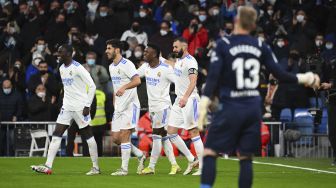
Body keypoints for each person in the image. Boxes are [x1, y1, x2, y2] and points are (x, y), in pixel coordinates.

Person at [198, 6, 320, 188]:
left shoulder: (224, 44)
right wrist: (306, 77)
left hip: (231, 106)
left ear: (237, 21)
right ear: (253, 25)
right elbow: (280, 74)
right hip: (253, 108)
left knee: (209, 152)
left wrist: (203, 104)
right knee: (246, 158)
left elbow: (213, 78)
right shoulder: (260, 45)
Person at [31, 44, 100, 175]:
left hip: (80, 107)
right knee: (57, 133)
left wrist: (87, 105)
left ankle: (95, 167)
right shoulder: (62, 68)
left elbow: (92, 86)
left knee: (88, 135)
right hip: (67, 107)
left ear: (69, 53)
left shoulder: (78, 68)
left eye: (60, 52)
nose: (58, 55)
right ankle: (48, 165)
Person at [137, 44, 180, 175]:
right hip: (153, 108)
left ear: (155, 54)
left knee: (156, 136)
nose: (144, 53)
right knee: (164, 137)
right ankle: (174, 165)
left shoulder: (166, 69)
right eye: (144, 51)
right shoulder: (145, 67)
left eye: (146, 51)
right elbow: (133, 75)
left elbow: (179, 82)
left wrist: (183, 99)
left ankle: (151, 166)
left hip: (163, 107)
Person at [105, 39, 146, 176]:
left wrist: (124, 87)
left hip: (131, 105)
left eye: (109, 48)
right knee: (116, 139)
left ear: (117, 50)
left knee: (125, 135)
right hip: (119, 107)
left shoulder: (127, 64)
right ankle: (140, 154)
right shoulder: (111, 67)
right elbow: (116, 87)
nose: (106, 51)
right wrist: (114, 102)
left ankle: (124, 169)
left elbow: (137, 80)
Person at [166, 37, 204, 176]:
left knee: (193, 132)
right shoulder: (179, 61)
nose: (174, 49)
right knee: (170, 132)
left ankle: (202, 166)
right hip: (178, 100)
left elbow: (193, 81)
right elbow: (172, 65)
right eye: (173, 47)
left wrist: (186, 97)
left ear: (185, 46)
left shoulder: (191, 62)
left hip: (190, 99)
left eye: (176, 47)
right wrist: (159, 58)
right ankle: (191, 159)